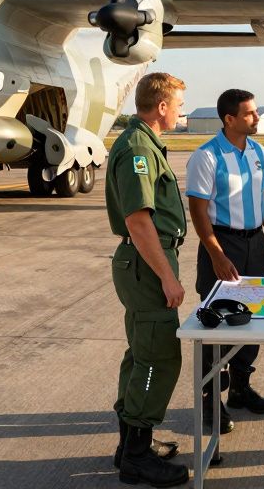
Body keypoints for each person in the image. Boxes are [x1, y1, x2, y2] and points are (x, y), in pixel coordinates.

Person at [106, 72, 191, 488]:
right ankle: (137, 458)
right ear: (161, 107)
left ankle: (130, 446)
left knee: (141, 352)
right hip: (147, 262)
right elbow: (139, 222)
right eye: (177, 105)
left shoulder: (144, 142)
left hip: (146, 260)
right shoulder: (138, 147)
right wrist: (168, 279)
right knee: (159, 355)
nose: (180, 112)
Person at [186, 89, 264, 434]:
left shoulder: (258, 151)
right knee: (217, 326)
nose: (257, 118)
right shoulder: (206, 156)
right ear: (229, 119)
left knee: (251, 320)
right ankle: (212, 400)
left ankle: (241, 388)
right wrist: (216, 255)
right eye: (250, 114)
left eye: (256, 112)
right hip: (222, 243)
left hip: (254, 242)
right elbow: (198, 212)